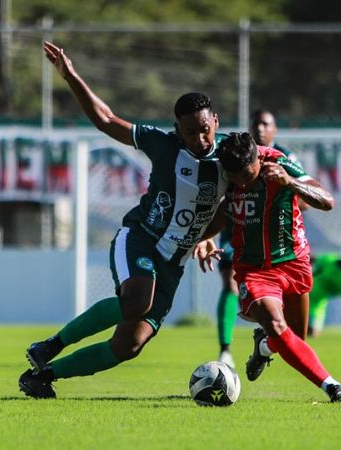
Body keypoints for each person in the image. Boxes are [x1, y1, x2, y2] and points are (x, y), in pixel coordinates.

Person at [18, 41, 230, 399]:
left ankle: (44, 376)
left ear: (216, 122)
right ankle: (50, 345)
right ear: (178, 129)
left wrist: (204, 237)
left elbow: (226, 208)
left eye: (205, 129)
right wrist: (70, 76)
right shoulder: (162, 145)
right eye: (190, 131)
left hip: (174, 263)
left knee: (130, 344)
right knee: (136, 303)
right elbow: (106, 120)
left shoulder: (229, 157)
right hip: (141, 239)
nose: (199, 137)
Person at [195, 132, 341, 403]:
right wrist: (204, 237)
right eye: (236, 179)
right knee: (277, 325)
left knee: (294, 339)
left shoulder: (278, 163)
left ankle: (264, 346)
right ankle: (332, 386)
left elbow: (326, 201)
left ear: (258, 158)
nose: (242, 184)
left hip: (294, 263)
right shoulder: (224, 170)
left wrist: (290, 182)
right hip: (254, 269)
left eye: (248, 176)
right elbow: (223, 210)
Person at [215, 109, 303, 368]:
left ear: (275, 129)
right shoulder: (234, 155)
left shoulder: (285, 157)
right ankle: (225, 349)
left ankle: (264, 345)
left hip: (277, 241)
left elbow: (307, 197)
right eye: (256, 124)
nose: (261, 129)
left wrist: (286, 188)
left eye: (266, 124)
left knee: (294, 332)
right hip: (236, 232)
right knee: (229, 283)